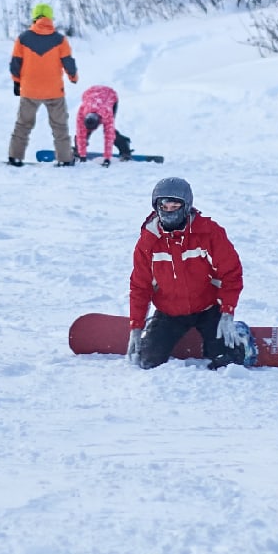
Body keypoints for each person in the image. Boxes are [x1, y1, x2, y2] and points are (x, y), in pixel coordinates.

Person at [127, 177, 255, 369]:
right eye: (164, 205)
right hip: (169, 312)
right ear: (156, 206)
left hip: (208, 308)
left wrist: (227, 312)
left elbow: (231, 273)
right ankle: (158, 335)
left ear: (186, 206)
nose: (169, 210)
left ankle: (239, 332)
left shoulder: (209, 232)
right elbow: (140, 286)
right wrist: (136, 327)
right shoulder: (148, 242)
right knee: (147, 360)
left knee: (227, 359)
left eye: (175, 205)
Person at [6, 2, 78, 167]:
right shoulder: (60, 40)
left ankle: (15, 157)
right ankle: (65, 159)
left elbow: (15, 64)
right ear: (50, 18)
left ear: (35, 18)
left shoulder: (23, 39)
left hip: (30, 90)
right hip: (54, 91)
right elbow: (68, 62)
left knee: (23, 124)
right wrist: (73, 77)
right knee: (59, 127)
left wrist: (17, 83)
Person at [74, 85, 135, 165]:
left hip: (109, 96)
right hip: (91, 93)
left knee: (110, 131)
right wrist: (82, 156)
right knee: (83, 133)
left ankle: (124, 146)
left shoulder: (107, 113)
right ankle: (78, 151)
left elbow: (109, 136)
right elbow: (80, 134)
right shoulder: (81, 113)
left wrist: (107, 158)